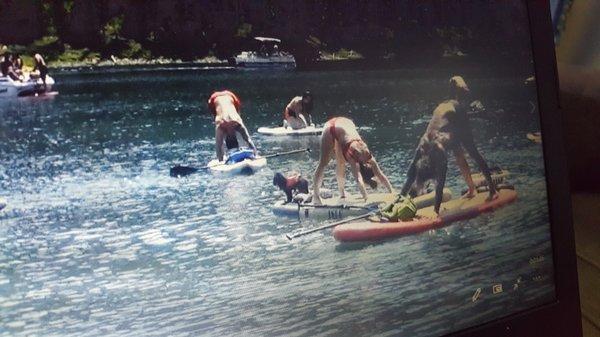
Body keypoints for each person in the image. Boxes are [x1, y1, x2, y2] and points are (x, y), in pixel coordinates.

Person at [400, 76, 497, 214]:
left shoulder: (438, 151)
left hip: (455, 116)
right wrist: (397, 202)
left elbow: (440, 183)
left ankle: (492, 191)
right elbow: (410, 176)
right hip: (446, 124)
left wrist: (436, 211)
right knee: (458, 153)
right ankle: (471, 189)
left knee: (472, 151)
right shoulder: (422, 146)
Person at [313, 116, 394, 205]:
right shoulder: (352, 154)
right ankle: (316, 196)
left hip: (345, 124)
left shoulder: (367, 154)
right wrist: (366, 198)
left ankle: (342, 195)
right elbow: (358, 178)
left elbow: (380, 174)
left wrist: (392, 192)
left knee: (341, 162)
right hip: (331, 128)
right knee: (324, 162)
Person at [207, 90, 258, 162]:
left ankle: (221, 159)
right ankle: (256, 155)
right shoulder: (237, 123)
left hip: (220, 98)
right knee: (246, 138)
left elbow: (218, 147)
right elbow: (248, 140)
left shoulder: (221, 125)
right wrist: (256, 156)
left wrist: (221, 162)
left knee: (219, 143)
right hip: (228, 96)